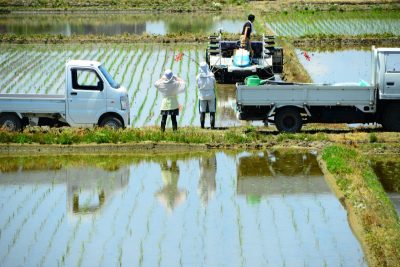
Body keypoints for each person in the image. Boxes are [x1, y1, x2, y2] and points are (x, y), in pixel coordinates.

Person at [196, 62, 217, 129]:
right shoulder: (211, 75)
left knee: (202, 110)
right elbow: (214, 85)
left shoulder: (198, 77)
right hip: (211, 94)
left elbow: (198, 86)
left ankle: (202, 126)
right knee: (212, 110)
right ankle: (212, 126)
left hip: (202, 95)